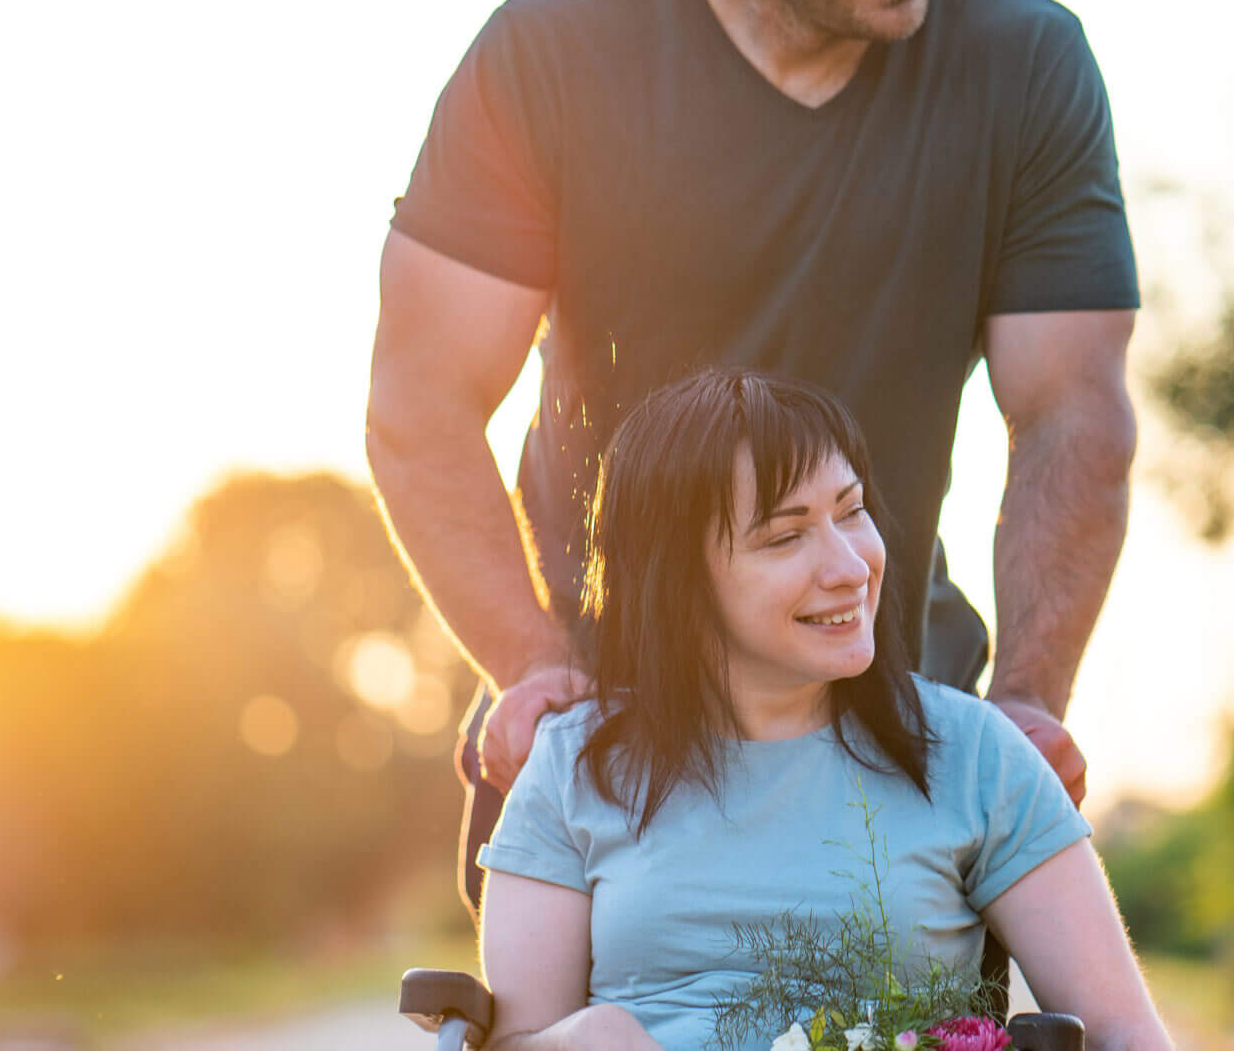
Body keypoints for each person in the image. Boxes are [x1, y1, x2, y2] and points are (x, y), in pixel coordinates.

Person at [366, 0, 1137, 920]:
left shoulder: (1024, 64)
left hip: (899, 739)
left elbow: (1072, 416)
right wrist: (533, 667)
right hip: (606, 741)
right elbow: (422, 406)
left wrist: (1026, 703)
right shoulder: (551, 58)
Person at [474, 368, 1170, 1051]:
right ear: (679, 583)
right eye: (786, 536)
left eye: (852, 511)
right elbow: (510, 1041)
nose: (851, 567)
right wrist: (586, 1039)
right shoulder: (571, 766)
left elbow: (1128, 1035)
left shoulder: (975, 755)